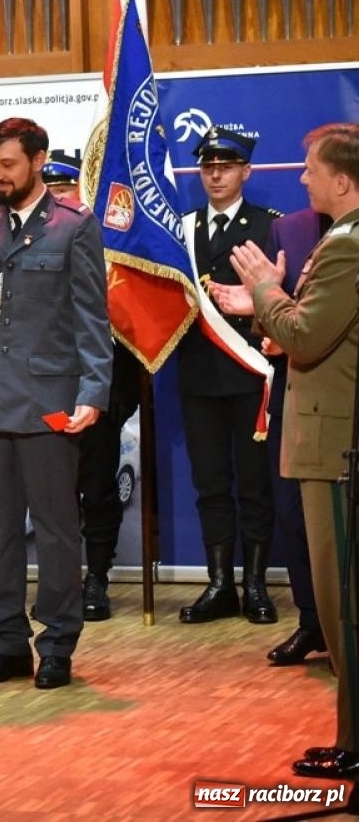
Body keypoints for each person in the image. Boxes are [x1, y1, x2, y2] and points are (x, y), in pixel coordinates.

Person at [208, 122, 359, 779]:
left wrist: (267, 293)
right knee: (340, 606)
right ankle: (351, 737)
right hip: (335, 440)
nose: (302, 179)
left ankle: (356, 746)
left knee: (344, 608)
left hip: (336, 447)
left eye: (311, 169)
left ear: (342, 181)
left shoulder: (346, 247)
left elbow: (305, 336)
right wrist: (267, 302)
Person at [0, 118, 112, 690]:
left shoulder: (73, 225)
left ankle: (58, 643)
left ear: (38, 161)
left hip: (48, 400)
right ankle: (8, 643)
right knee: (0, 532)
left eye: (9, 165)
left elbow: (91, 317)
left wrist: (92, 391)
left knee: (56, 528)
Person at [176, 126, 280, 625]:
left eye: (226, 166)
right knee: (210, 481)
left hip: (249, 371)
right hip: (199, 373)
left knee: (255, 483)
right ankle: (219, 584)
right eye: (208, 166)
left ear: (246, 171)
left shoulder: (268, 226)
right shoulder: (182, 227)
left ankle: (255, 584)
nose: (216, 174)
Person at [41, 151, 142, 621]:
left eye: (64, 189)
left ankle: (97, 577)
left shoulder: (106, 241)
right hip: (42, 386)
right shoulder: (22, 239)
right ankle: (58, 581)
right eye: (50, 190)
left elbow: (124, 323)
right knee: (49, 492)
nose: (57, 198)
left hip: (96, 386)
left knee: (97, 488)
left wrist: (115, 393)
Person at [263, 207, 333, 666]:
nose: (304, 177)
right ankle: (312, 621)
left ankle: (343, 628)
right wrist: (267, 325)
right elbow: (273, 313)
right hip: (292, 395)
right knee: (291, 513)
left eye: (313, 172)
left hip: (340, 399)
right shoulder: (287, 229)